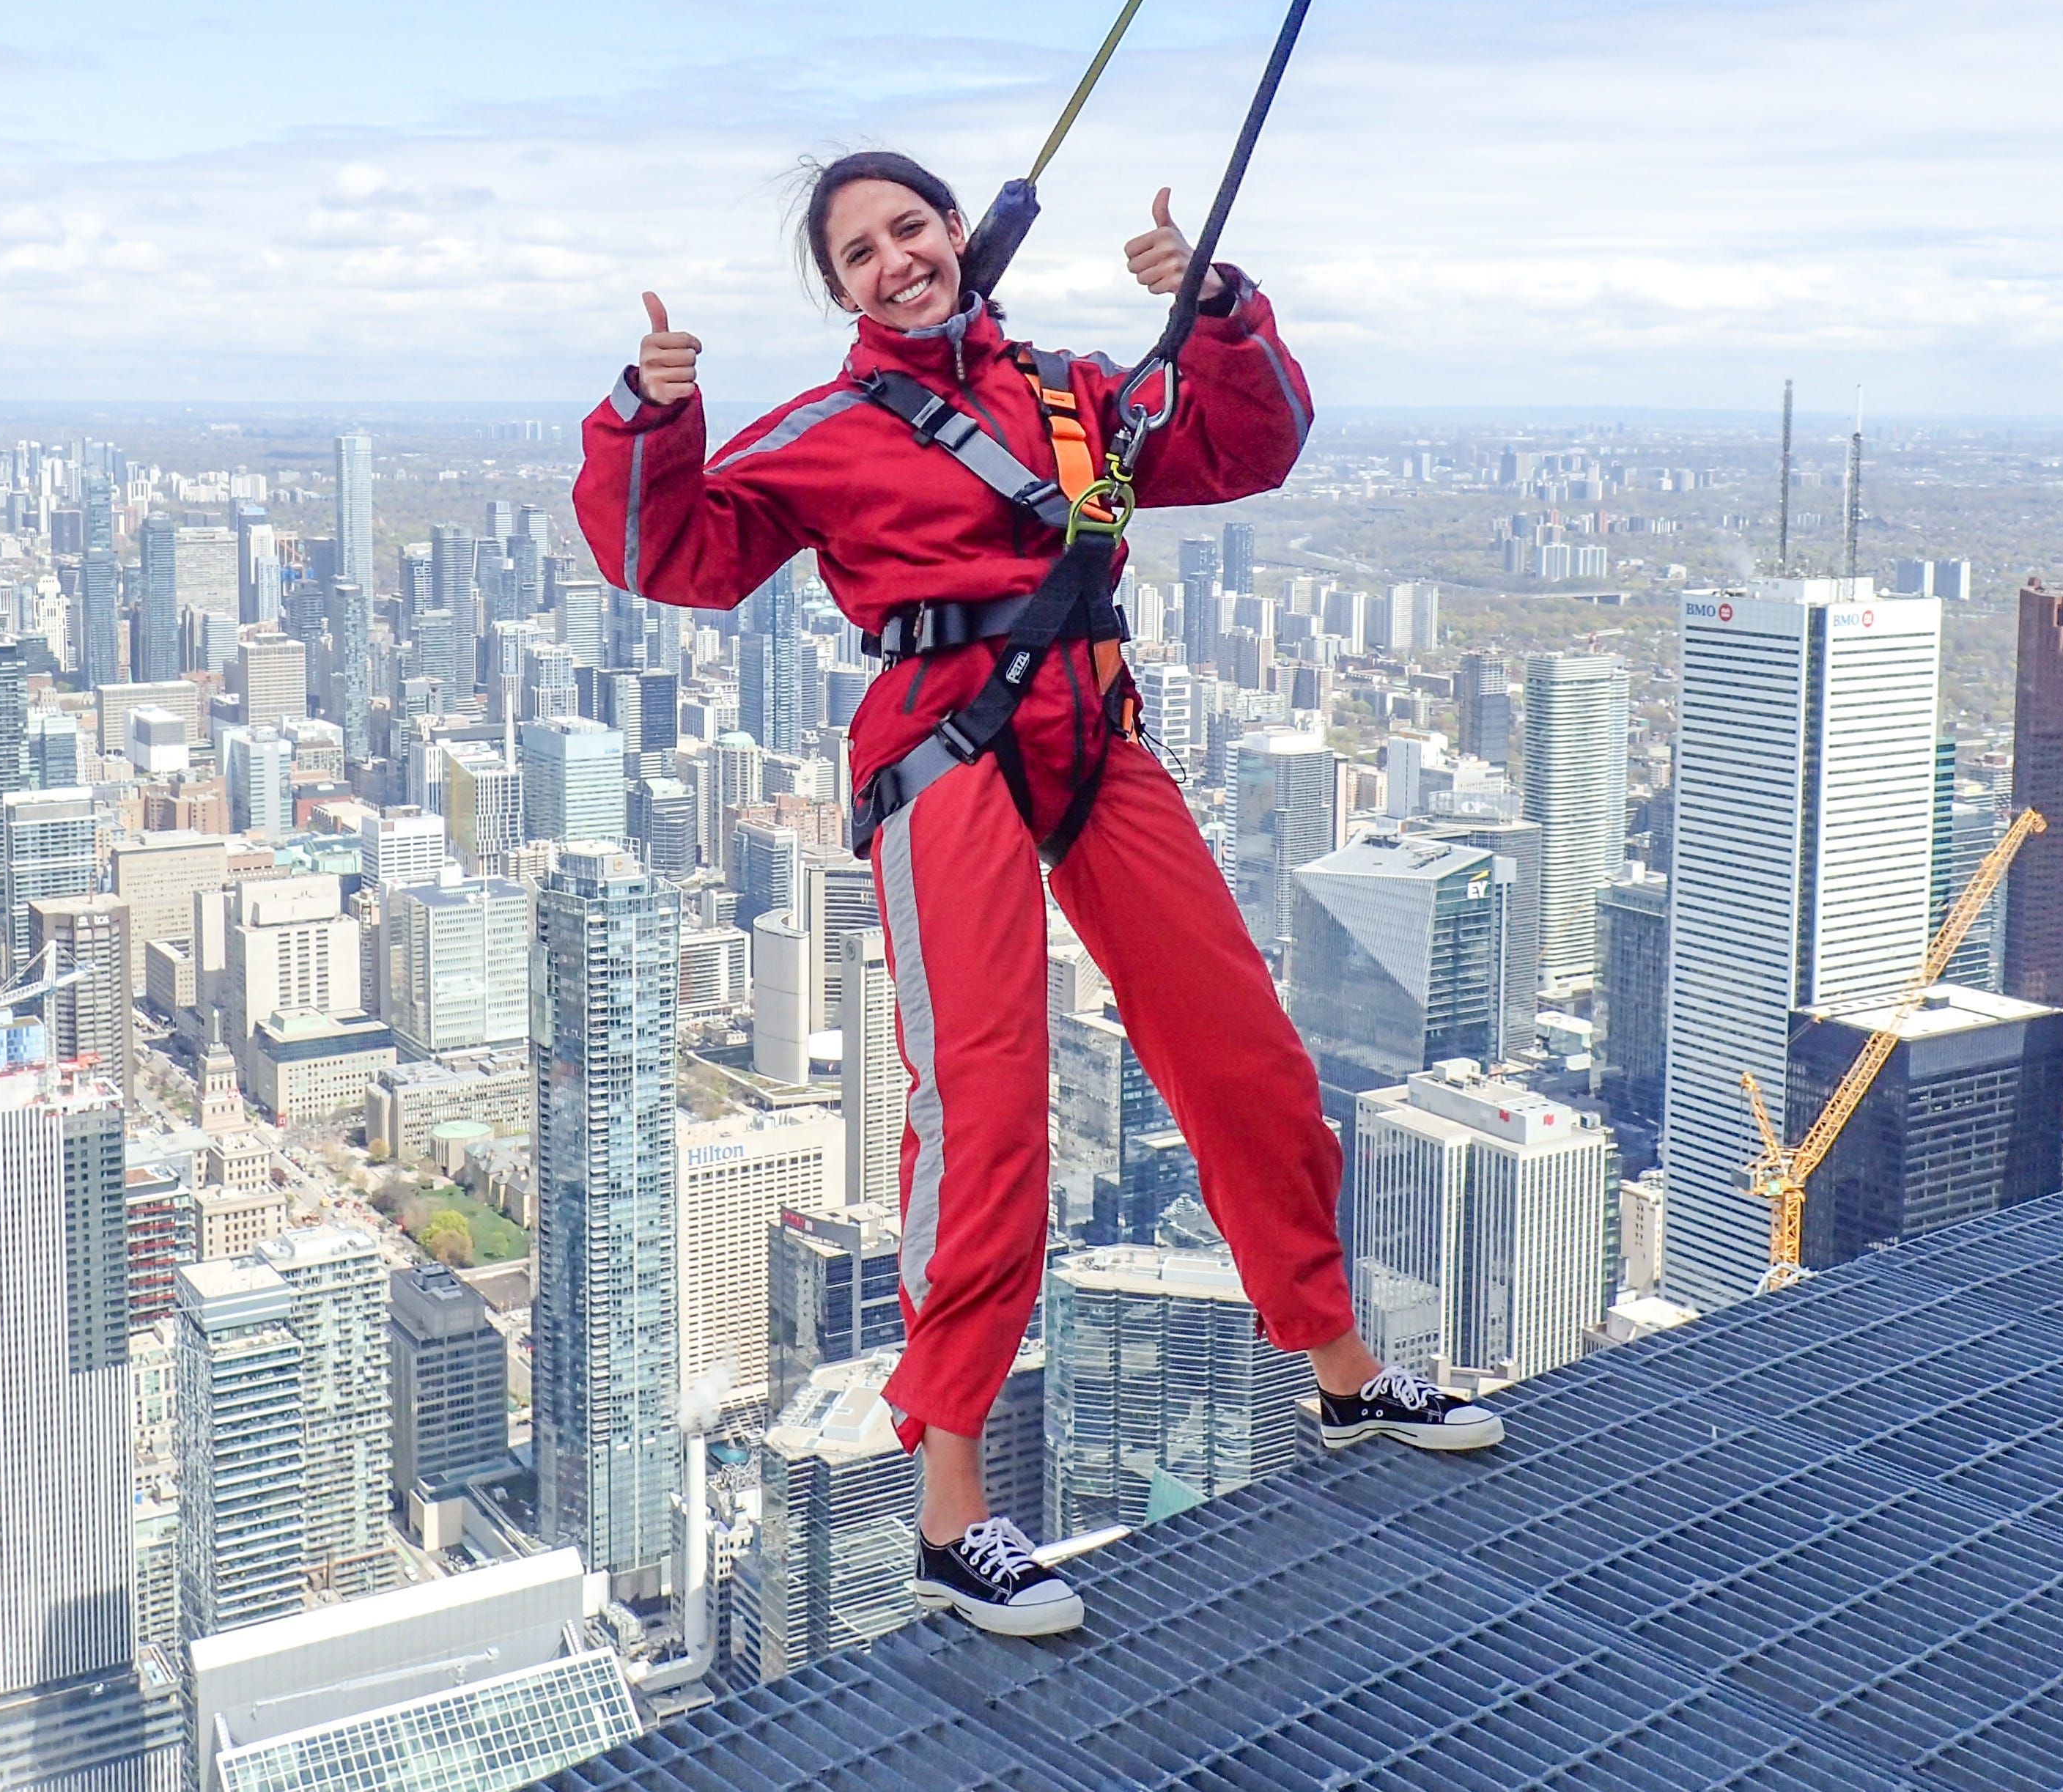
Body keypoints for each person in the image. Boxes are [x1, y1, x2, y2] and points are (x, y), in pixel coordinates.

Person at [576, 149, 1499, 1640]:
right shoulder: (822, 429)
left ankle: (1339, 1373)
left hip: (1094, 731)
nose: (893, 260)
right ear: (839, 291)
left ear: (957, 235)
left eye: (909, 229)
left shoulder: (1078, 399)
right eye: (859, 252)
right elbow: (665, 551)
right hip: (945, 752)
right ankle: (950, 1509)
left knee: (1242, 1054)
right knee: (985, 1099)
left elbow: (1248, 445)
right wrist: (651, 416)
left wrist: (1213, 308)